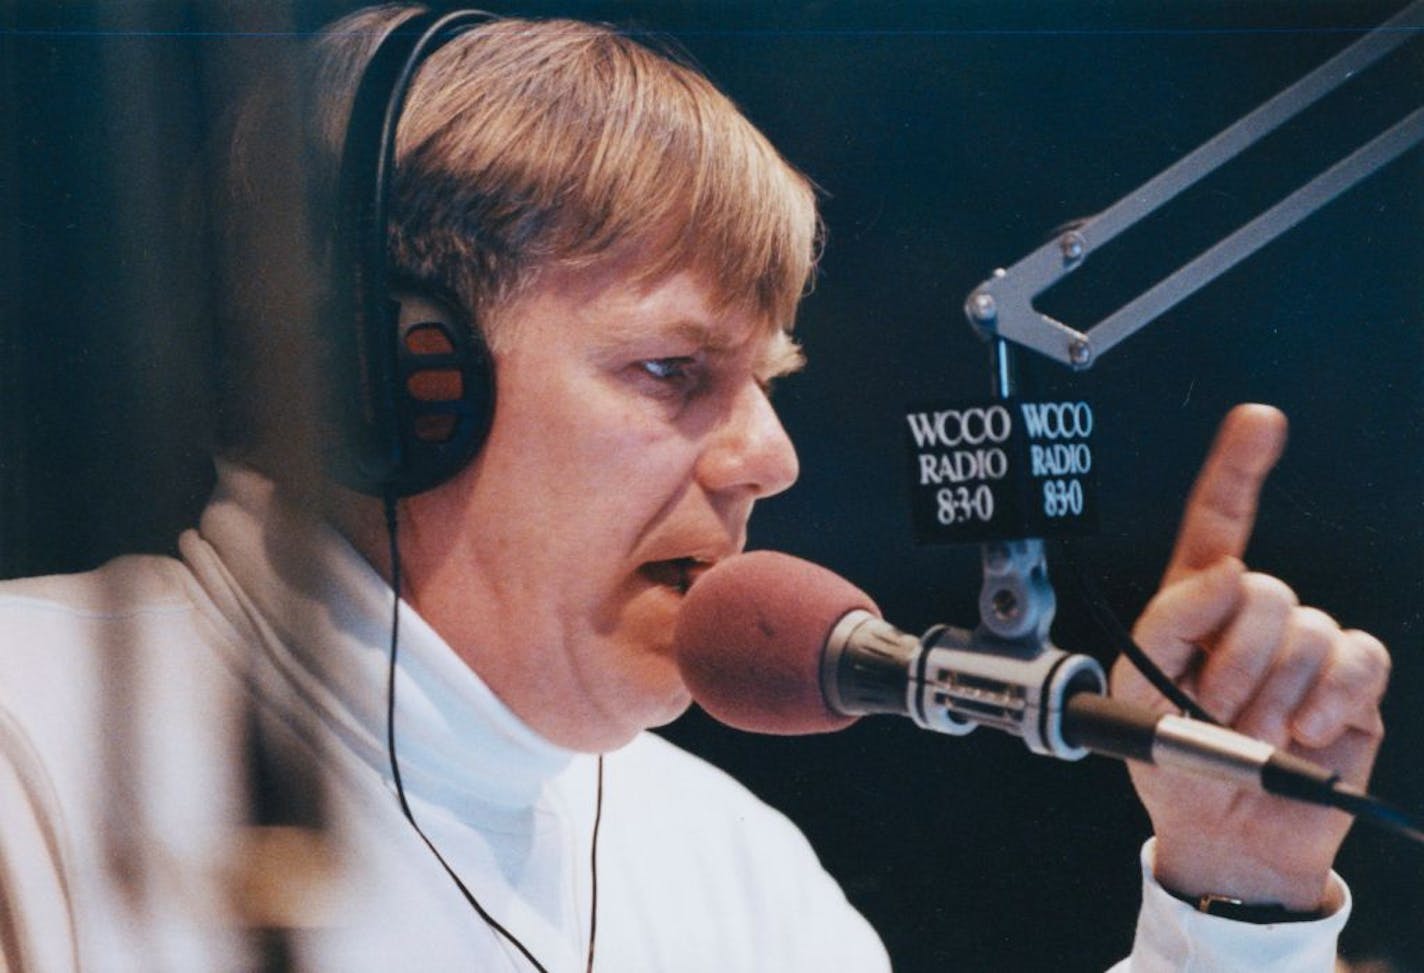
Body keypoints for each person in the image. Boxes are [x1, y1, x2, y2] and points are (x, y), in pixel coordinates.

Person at [0, 6, 1390, 971]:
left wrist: (1237, 896)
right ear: (381, 377)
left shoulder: (731, 865)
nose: (768, 458)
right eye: (674, 370)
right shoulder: (33, 739)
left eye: (771, 378)